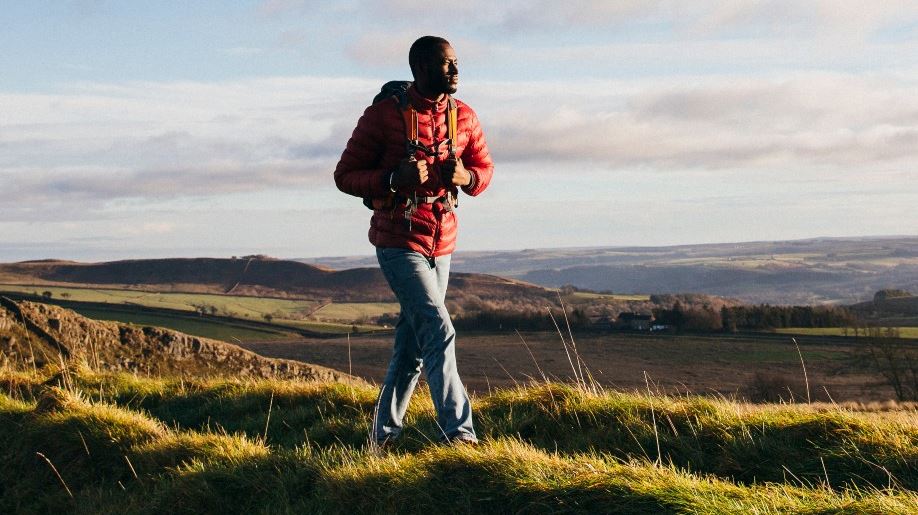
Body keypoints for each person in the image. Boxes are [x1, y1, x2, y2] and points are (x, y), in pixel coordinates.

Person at [334, 35, 493, 445]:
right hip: (397, 240)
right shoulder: (381, 117)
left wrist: (468, 178)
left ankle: (382, 436)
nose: (456, 71)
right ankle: (459, 435)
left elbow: (484, 168)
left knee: (412, 349)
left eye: (457, 62)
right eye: (446, 64)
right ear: (421, 69)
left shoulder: (466, 117)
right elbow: (345, 175)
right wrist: (391, 179)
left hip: (443, 242)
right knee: (438, 330)